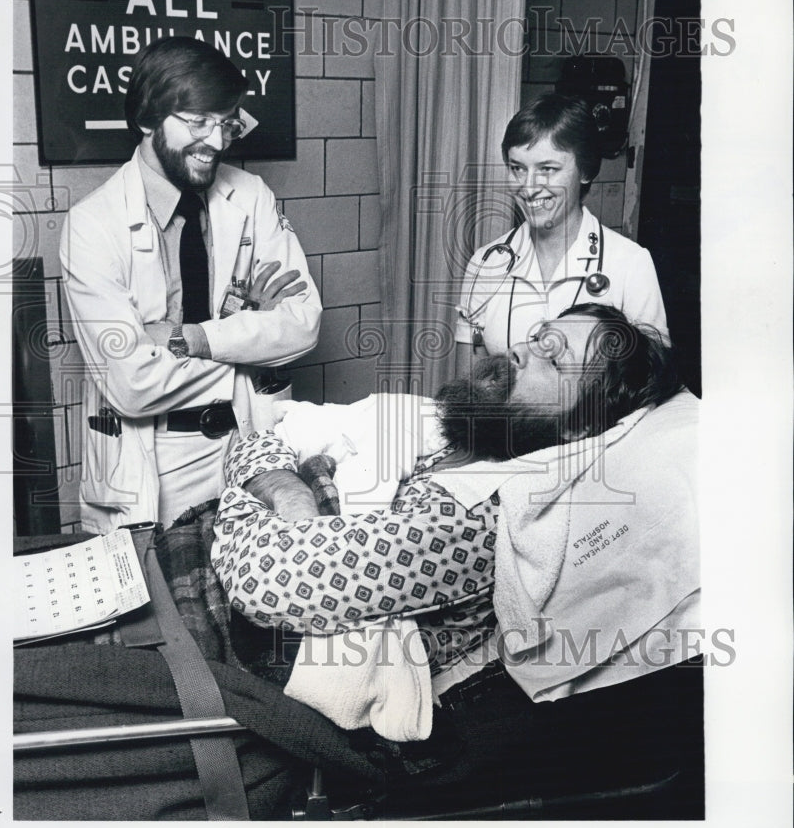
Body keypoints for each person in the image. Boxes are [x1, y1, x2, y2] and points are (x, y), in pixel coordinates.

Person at [211, 305, 699, 713]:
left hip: (233, 662)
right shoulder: (445, 426)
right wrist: (290, 492)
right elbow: (263, 436)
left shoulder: (476, 516)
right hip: (206, 576)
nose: (519, 352)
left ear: (579, 428)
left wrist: (253, 498)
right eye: (538, 337)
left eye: (553, 360)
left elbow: (264, 578)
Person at [60, 36, 322, 533]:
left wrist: (192, 338)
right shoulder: (92, 225)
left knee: (261, 598)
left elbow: (303, 324)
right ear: (147, 118)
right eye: (197, 121)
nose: (218, 141)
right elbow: (132, 384)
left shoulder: (251, 196)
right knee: (170, 607)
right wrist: (249, 339)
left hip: (248, 444)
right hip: (154, 462)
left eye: (226, 123)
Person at [454, 94, 668, 376]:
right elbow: (470, 385)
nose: (528, 188)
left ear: (586, 170)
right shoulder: (486, 263)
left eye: (547, 169)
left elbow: (651, 383)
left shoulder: (631, 265)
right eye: (517, 168)